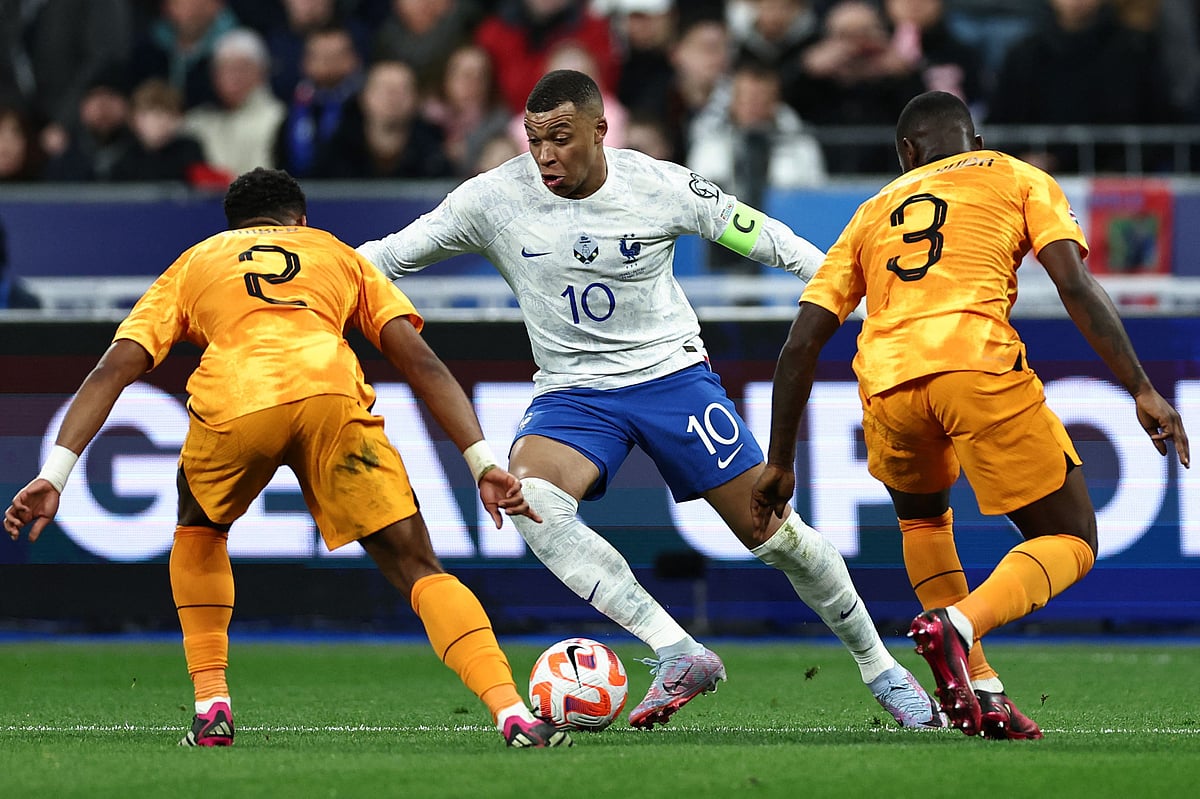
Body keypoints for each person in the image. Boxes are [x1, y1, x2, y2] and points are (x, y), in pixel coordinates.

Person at [358, 69, 942, 731]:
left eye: (561, 137)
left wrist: (859, 293)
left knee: (772, 534)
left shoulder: (658, 186)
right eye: (534, 139)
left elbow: (765, 238)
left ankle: (881, 668)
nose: (545, 154)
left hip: (671, 377)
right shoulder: (494, 199)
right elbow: (384, 256)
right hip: (573, 393)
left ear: (601, 131)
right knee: (531, 499)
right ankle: (676, 648)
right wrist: (311, 272)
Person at [2, 167, 571, 750]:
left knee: (199, 528)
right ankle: (512, 713)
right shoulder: (336, 254)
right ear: (301, 221)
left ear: (235, 226)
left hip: (237, 402)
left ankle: (211, 706)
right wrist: (481, 463)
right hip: (330, 398)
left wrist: (55, 473)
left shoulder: (197, 261)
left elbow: (114, 368)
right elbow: (420, 364)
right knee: (417, 566)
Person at [751, 90, 1191, 740]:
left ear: (908, 153)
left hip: (887, 378)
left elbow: (800, 345)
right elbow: (1073, 283)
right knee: (1073, 537)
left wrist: (781, 460)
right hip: (972, 360)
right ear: (974, 143)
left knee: (924, 518)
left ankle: (981, 689)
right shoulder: (1016, 175)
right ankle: (959, 625)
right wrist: (1142, 387)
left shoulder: (871, 212)